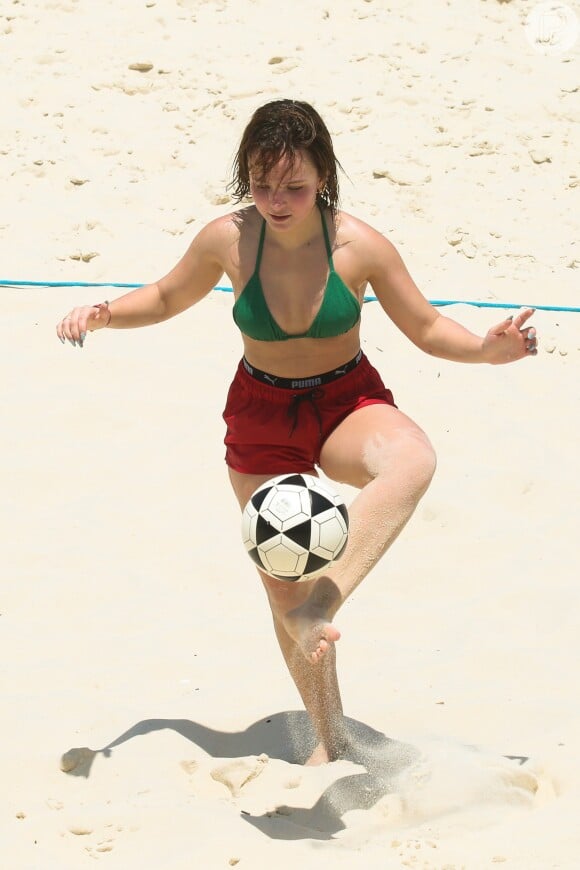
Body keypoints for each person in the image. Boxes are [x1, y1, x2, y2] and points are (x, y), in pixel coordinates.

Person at [56, 99, 538, 765]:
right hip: (261, 416)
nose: (276, 200)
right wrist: (105, 313)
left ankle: (325, 597)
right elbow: (166, 296)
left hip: (345, 401)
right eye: (261, 183)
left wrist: (487, 350)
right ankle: (330, 742)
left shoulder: (358, 246)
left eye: (294, 186)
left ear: (324, 179)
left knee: (412, 460)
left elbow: (427, 327)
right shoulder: (228, 238)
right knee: (286, 598)